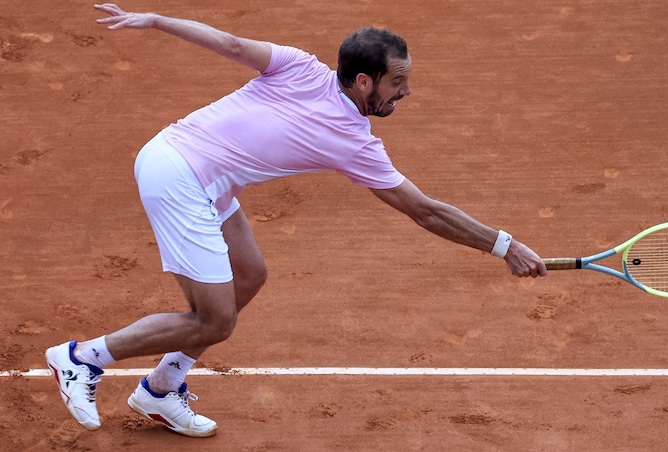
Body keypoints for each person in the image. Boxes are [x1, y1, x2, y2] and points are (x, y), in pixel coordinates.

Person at [45, 3, 548, 438]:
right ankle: (83, 358)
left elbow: (228, 43)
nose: (407, 92)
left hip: (191, 164)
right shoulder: (353, 141)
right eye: (399, 82)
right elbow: (425, 210)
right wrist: (505, 245)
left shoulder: (301, 65)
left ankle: (160, 390)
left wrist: (156, 20)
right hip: (180, 176)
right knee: (215, 319)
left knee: (249, 276)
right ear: (364, 80)